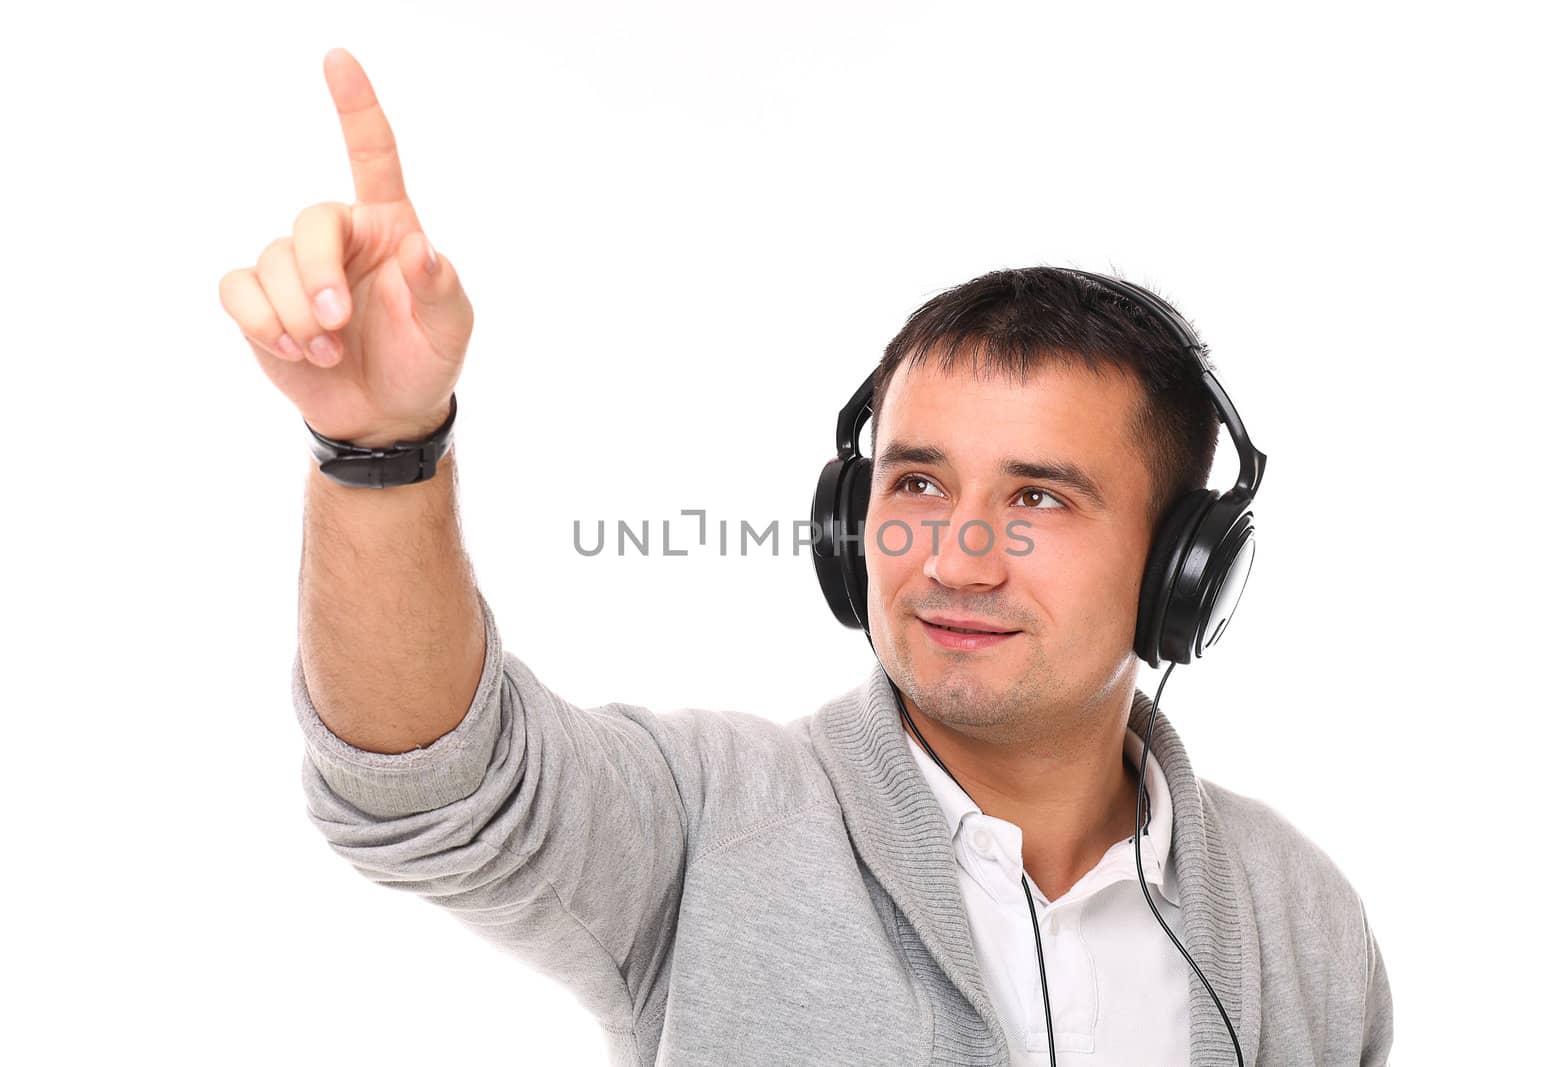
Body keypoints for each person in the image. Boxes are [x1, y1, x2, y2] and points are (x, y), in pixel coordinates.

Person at [220, 47, 1393, 1067]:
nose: (955, 557)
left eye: (1037, 496)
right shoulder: (707, 819)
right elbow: (427, 787)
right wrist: (381, 450)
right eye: (918, 481)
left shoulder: (1301, 922)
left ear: (1182, 565)